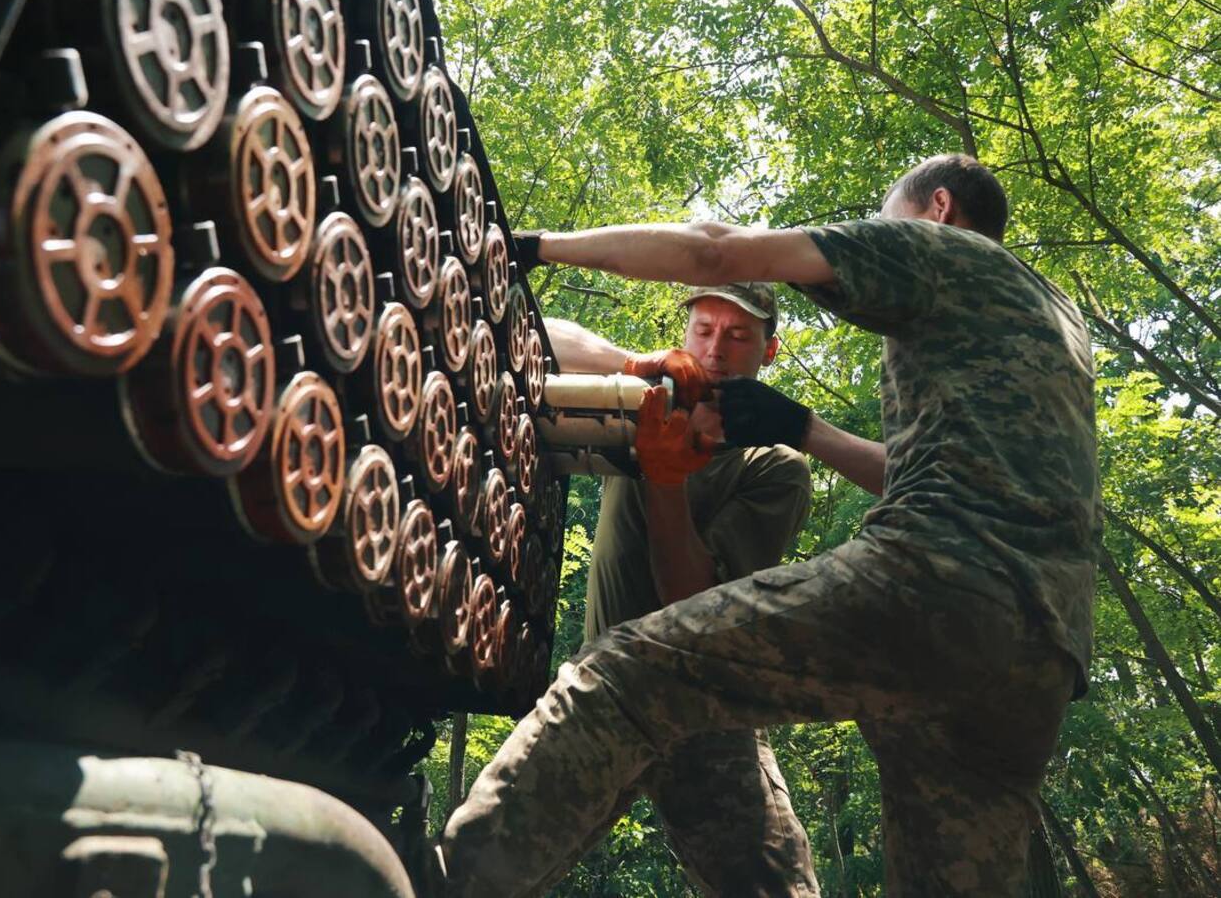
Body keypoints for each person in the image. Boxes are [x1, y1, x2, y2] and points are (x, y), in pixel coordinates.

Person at [438, 154, 1098, 897]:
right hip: (1043, 651)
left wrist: (528, 246)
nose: (718, 345)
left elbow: (713, 247)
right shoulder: (1051, 317)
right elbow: (923, 469)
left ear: (937, 209)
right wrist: (795, 420)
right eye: (704, 328)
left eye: (887, 218)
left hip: (940, 579)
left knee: (626, 673)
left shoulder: (942, 251)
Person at [539, 282, 820, 895]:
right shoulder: (636, 397)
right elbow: (535, 335)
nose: (717, 349)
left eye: (739, 335)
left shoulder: (774, 466)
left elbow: (691, 602)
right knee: (476, 869)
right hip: (601, 691)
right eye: (704, 330)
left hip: (704, 710)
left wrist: (664, 477)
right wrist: (631, 363)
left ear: (768, 353)